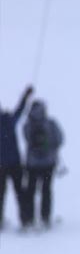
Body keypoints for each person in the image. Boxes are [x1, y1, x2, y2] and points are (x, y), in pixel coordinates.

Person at [22, 99, 63, 228]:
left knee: (31, 191)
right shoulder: (51, 123)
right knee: (46, 191)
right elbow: (60, 139)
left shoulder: (28, 125)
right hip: (48, 164)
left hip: (32, 164)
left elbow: (26, 138)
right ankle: (45, 217)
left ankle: (29, 219)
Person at [0, 85, 34, 230]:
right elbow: (20, 110)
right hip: (15, 163)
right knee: (20, 192)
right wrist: (25, 97)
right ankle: (25, 220)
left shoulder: (9, 120)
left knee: (1, 194)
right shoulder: (9, 120)